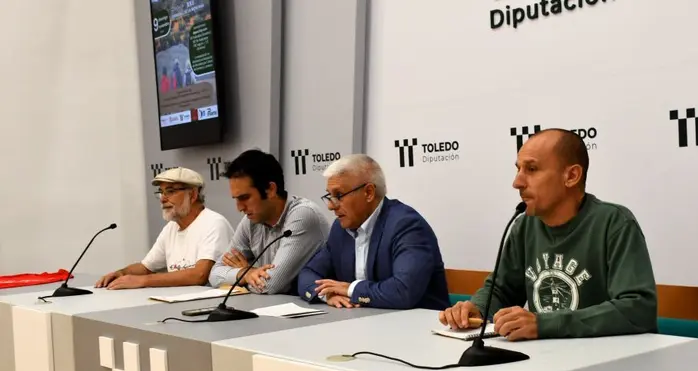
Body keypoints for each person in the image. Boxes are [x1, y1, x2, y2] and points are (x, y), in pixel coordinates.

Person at [439, 128, 657, 340]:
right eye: (518, 169)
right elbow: (501, 290)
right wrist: (477, 309)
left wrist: (545, 324)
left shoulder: (614, 223)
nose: (517, 182)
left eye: (532, 169)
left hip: (611, 363)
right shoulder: (525, 225)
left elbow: (638, 308)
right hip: (547, 359)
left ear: (571, 176)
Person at [298, 154, 450, 310]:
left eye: (339, 195)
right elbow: (308, 274)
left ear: (369, 192)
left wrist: (351, 290)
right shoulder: (340, 228)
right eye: (330, 196)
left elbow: (404, 291)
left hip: (419, 327)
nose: (331, 206)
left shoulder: (406, 225)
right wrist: (327, 294)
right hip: (363, 323)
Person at [209, 149, 329, 294]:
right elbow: (214, 274)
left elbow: (269, 285)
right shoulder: (250, 220)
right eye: (236, 199)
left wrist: (244, 275)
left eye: (245, 198)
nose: (240, 208)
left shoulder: (303, 215)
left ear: (270, 189)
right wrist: (245, 273)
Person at [95, 167, 234, 289]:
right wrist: (120, 273)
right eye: (161, 192)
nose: (162, 199)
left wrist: (142, 281)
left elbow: (199, 275)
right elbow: (146, 267)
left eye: (170, 192)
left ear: (192, 195)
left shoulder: (214, 223)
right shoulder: (171, 228)